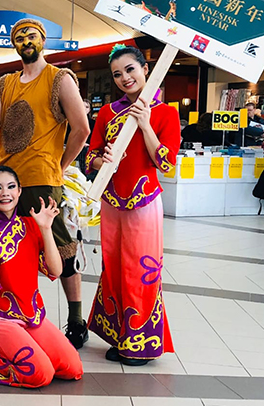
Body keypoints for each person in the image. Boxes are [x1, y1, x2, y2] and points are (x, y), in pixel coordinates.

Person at [0, 18, 91, 348]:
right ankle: (10, 310)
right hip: (6, 178)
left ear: (42, 40)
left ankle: (76, 319)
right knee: (8, 250)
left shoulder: (59, 78)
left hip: (40, 181)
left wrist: (59, 166)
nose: (26, 39)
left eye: (31, 35)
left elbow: (81, 129)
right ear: (14, 43)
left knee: (62, 250)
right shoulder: (6, 82)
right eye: (19, 36)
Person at [85, 45, 179, 365]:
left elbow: (165, 163)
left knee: (140, 271)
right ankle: (118, 334)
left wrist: (145, 124)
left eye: (130, 70)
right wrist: (101, 160)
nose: (125, 77)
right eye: (117, 74)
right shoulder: (107, 113)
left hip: (145, 202)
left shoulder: (166, 112)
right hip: (111, 200)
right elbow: (91, 155)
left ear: (145, 69)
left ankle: (140, 343)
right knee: (113, 268)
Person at [0, 165, 83, 388]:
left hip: (32, 316)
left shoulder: (31, 224)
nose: (5, 193)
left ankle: (19, 347)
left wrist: (46, 229)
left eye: (11, 187)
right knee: (41, 375)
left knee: (72, 368)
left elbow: (56, 270)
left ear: (20, 191)